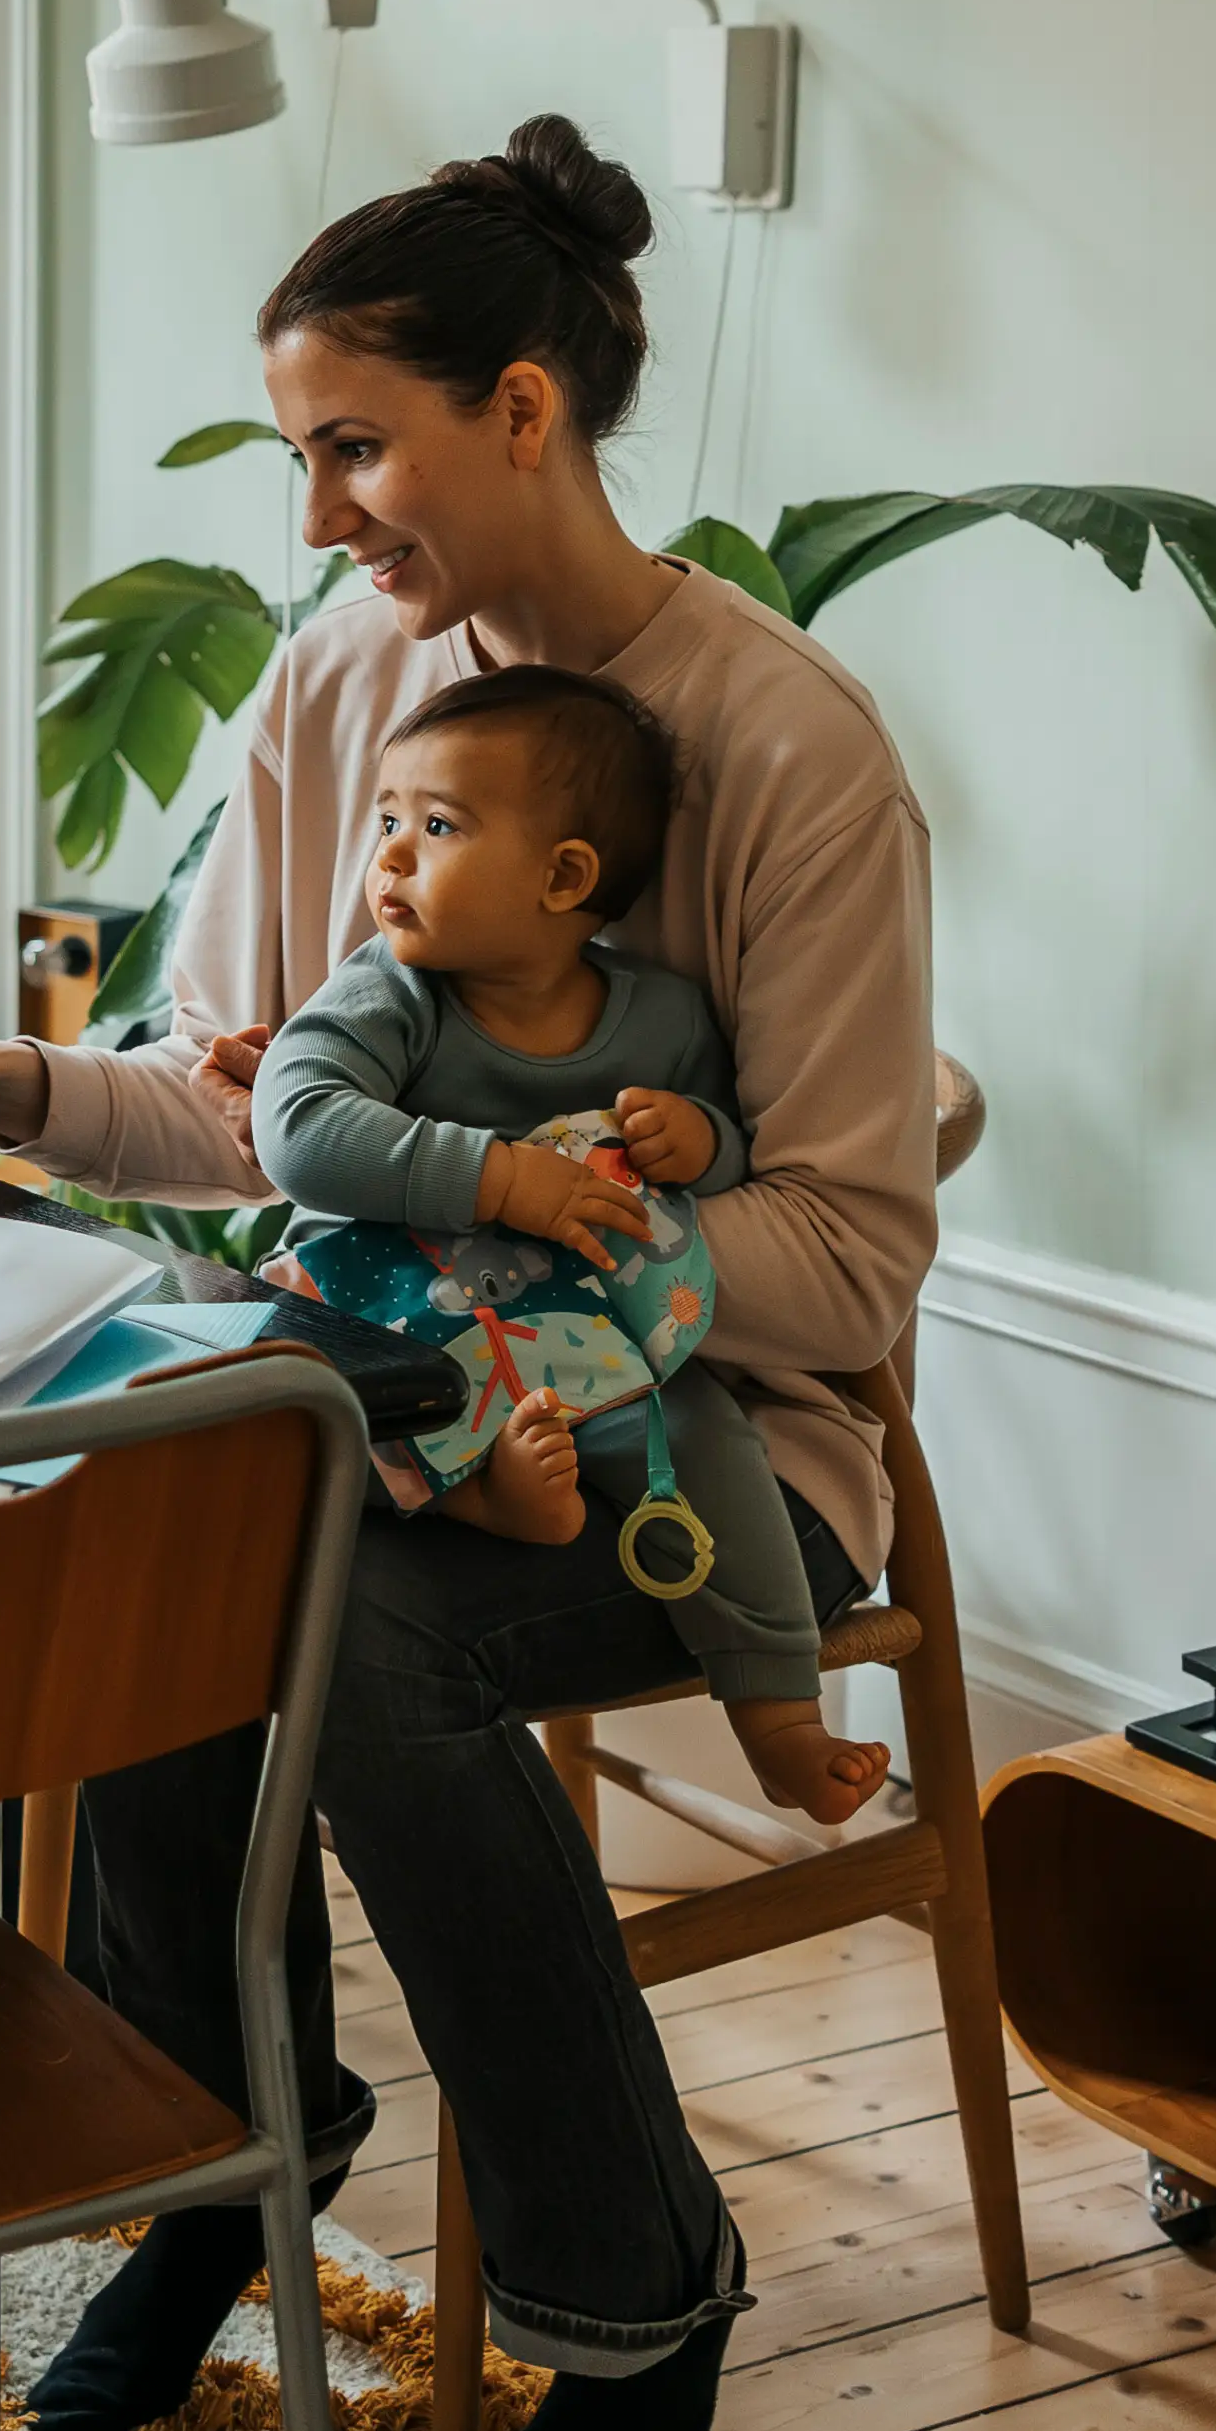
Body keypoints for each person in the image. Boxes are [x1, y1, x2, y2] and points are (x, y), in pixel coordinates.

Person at [0, 112, 940, 2431]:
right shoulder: (339, 687)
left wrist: (582, 1212)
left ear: (525, 407)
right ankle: (220, 2150)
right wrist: (7, 1086)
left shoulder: (792, 751)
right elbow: (257, 1097)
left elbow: (855, 1252)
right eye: (302, 455)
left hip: (720, 1450)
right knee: (155, 1521)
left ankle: (634, 2290)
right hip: (394, 1400)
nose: (319, 517)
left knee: (339, 1621)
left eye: (352, 449)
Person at [246, 660, 887, 1824]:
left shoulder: (664, 1016)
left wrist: (700, 1139)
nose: (387, 853)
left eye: (434, 825)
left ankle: (780, 1713)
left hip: (594, 1356)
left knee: (711, 1444)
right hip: (398, 1332)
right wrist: (495, 1177)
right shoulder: (391, 995)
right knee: (302, 1455)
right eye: (385, 819)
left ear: (566, 876)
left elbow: (729, 1163)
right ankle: (482, 1501)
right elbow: (295, 1127)